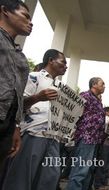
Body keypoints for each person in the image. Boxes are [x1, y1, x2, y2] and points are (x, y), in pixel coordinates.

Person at [2, 49, 68, 190]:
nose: (66, 66)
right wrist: (37, 97)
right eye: (63, 62)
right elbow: (18, 105)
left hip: (54, 137)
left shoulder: (61, 88)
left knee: (50, 177)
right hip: (33, 134)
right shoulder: (33, 77)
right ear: (51, 60)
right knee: (22, 177)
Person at [0, 0, 33, 173]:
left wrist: (16, 126)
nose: (30, 22)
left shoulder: (20, 57)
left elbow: (18, 95)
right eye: (25, 16)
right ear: (5, 11)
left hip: (7, 123)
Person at [66, 77, 106, 190]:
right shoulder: (84, 96)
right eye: (102, 84)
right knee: (80, 170)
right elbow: (73, 113)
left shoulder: (98, 100)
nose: (104, 86)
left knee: (89, 170)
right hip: (86, 138)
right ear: (94, 85)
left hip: (95, 139)